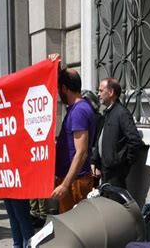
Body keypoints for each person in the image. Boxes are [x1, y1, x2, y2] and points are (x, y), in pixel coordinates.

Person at [51, 67, 96, 213]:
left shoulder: (79, 111)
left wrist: (65, 185)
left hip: (75, 184)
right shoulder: (77, 108)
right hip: (72, 181)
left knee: (76, 227)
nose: (57, 93)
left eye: (58, 88)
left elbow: (81, 152)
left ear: (64, 88)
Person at [93, 78, 143, 189]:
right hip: (105, 171)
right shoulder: (106, 113)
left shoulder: (122, 113)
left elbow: (135, 141)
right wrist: (96, 161)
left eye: (101, 91)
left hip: (115, 174)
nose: (98, 94)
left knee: (115, 204)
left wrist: (123, 165)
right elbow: (100, 139)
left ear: (110, 92)